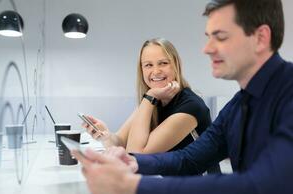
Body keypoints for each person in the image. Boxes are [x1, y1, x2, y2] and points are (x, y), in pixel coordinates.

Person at [73, 0, 293, 194]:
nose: (206, 49)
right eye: (208, 38)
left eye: (221, 37)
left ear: (261, 38)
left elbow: (266, 185)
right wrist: (132, 161)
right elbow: (188, 158)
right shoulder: (238, 105)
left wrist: (135, 188)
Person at [84, 38, 217, 158]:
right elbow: (120, 143)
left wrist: (150, 96)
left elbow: (135, 155)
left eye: (163, 63)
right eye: (148, 65)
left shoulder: (190, 106)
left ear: (176, 65)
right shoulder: (152, 100)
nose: (156, 71)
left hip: (194, 184)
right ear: (141, 69)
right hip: (166, 180)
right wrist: (105, 136)